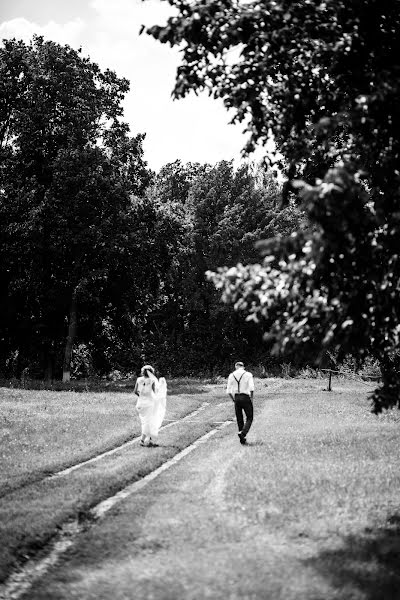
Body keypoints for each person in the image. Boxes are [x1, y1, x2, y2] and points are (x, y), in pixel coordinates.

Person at [134, 365, 167, 447]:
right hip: (149, 404)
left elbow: (135, 391)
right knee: (149, 422)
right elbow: (154, 392)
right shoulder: (152, 380)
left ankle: (149, 439)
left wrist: (141, 397)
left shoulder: (139, 380)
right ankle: (142, 440)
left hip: (140, 404)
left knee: (145, 421)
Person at [226, 361, 254, 445]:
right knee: (249, 417)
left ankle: (242, 439)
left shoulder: (232, 375)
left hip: (236, 397)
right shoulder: (248, 374)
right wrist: (251, 398)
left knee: (239, 418)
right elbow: (251, 388)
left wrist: (233, 400)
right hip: (245, 397)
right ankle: (243, 433)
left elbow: (228, 391)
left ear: (236, 367)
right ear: (243, 367)